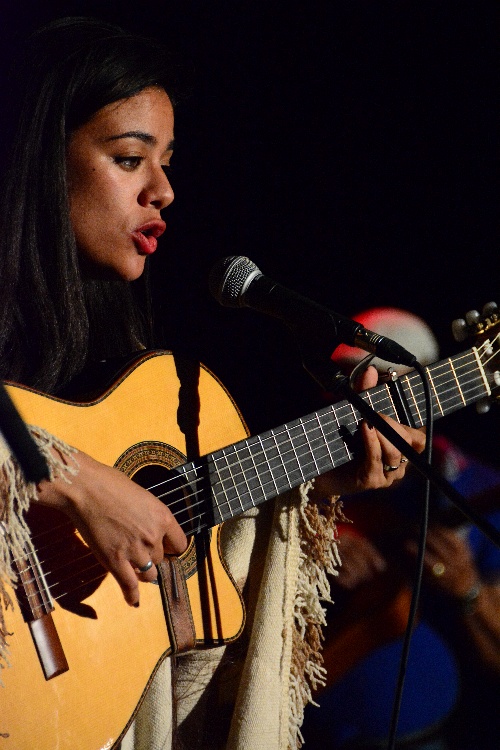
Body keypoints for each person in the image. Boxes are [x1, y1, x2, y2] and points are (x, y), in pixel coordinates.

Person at [0, 18, 426, 750]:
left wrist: (322, 472)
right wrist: (76, 480)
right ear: (40, 158)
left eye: (166, 163)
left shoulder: (114, 351)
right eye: (129, 158)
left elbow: (180, 517)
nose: (163, 190)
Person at [301, 307, 500, 750]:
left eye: (371, 384)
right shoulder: (315, 469)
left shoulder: (477, 487)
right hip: (302, 731)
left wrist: (467, 587)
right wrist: (313, 548)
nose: (348, 402)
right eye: (341, 384)